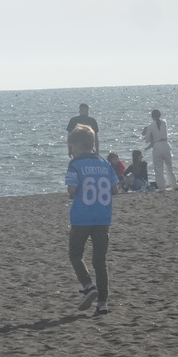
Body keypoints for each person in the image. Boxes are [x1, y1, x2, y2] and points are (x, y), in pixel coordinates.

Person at [65, 125, 118, 316]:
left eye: (71, 146)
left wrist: (76, 192)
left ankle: (88, 286)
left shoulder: (75, 164)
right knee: (100, 261)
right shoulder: (105, 163)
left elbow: (71, 189)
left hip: (82, 218)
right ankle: (102, 303)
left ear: (78, 145)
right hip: (103, 217)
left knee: (75, 254)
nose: (70, 150)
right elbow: (115, 189)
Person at [144, 109, 177, 190]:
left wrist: (146, 131)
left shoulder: (150, 126)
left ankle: (161, 187)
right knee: (169, 167)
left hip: (157, 146)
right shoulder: (164, 123)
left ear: (152, 116)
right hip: (166, 145)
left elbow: (147, 140)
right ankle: (174, 185)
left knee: (158, 168)